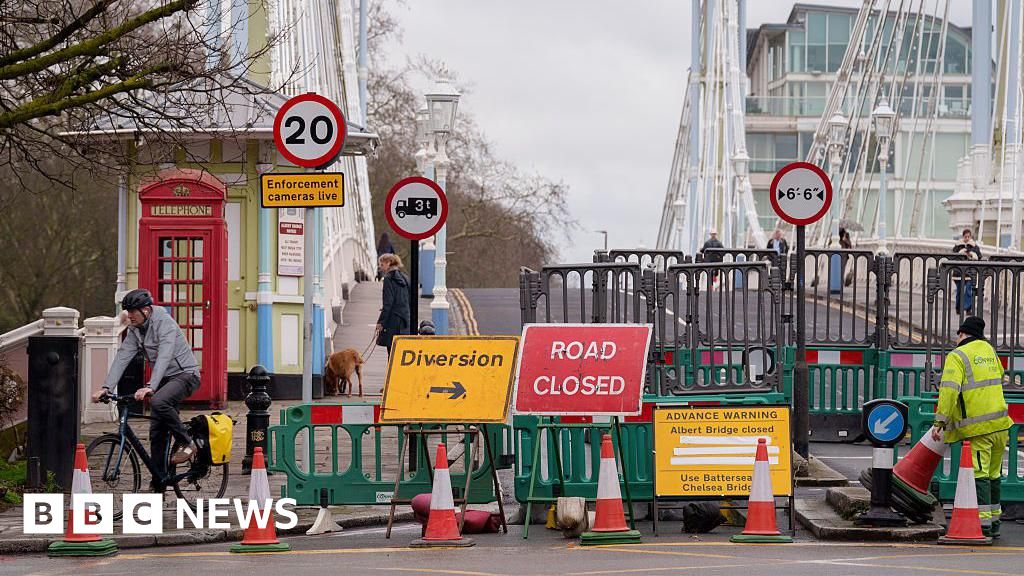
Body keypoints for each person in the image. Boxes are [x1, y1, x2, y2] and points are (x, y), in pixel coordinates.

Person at [91, 289, 201, 491]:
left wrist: (150, 386)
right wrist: (106, 387)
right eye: (128, 311)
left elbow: (165, 356)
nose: (129, 315)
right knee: (156, 433)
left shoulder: (164, 323)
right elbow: (123, 356)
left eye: (132, 311)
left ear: (147, 310)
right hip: (164, 379)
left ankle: (188, 443)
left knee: (158, 402)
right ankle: (159, 483)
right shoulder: (135, 329)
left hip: (185, 374)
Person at [931, 316, 1013, 538]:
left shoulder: (957, 356)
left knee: (980, 474)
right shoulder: (989, 350)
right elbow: (1000, 377)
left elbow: (948, 390)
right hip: (1001, 424)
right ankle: (995, 524)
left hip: (979, 429)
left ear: (961, 334)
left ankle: (983, 524)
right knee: (994, 474)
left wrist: (940, 422)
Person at [376, 253, 411, 356]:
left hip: (392, 322)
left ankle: (392, 372)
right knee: (401, 353)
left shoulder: (388, 279)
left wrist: (381, 322)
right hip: (405, 320)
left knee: (391, 353)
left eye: (382, 265)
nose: (380, 267)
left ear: (389, 263)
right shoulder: (405, 277)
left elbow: (388, 303)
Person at [952, 229, 982, 313]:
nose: (967, 238)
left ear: (970, 237)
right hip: (958, 272)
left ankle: (968, 308)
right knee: (959, 291)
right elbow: (952, 256)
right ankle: (958, 308)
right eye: (965, 237)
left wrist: (972, 255)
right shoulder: (958, 246)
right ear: (963, 237)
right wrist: (961, 253)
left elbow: (979, 257)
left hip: (970, 272)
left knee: (969, 291)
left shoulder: (974, 246)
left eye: (968, 237)